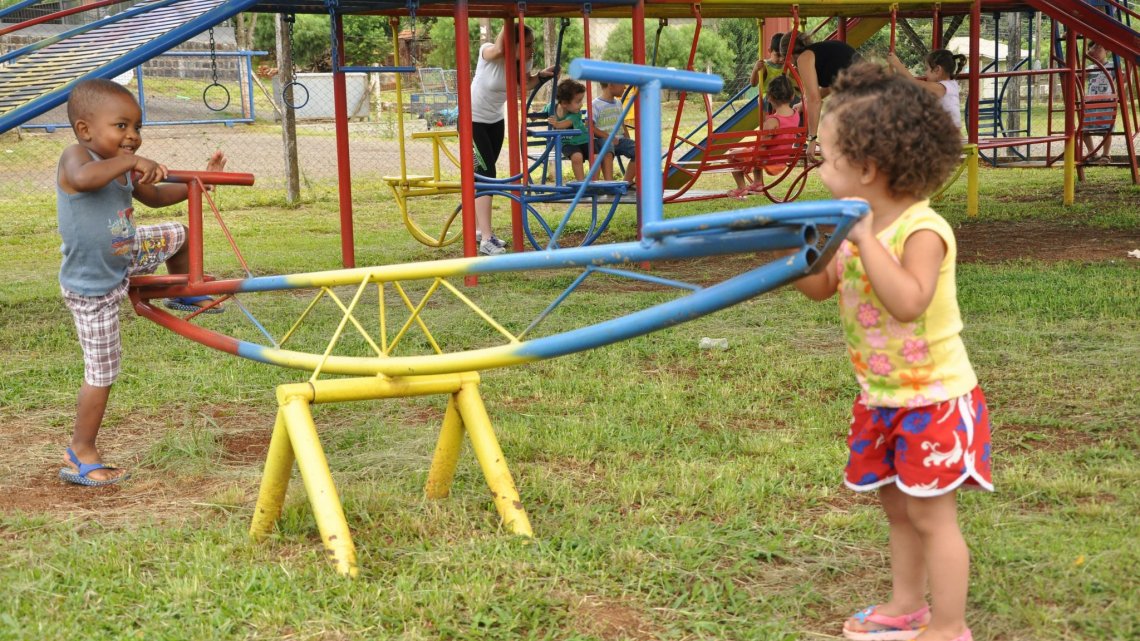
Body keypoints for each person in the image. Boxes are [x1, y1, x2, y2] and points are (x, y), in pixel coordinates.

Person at [790, 63, 991, 641]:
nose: (818, 168)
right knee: (899, 510)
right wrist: (804, 253)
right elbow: (820, 289)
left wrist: (860, 239)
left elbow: (908, 301)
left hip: (933, 401)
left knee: (932, 516)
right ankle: (908, 607)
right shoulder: (856, 226)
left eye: (825, 158)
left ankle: (949, 626)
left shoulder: (922, 230)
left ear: (867, 169)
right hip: (882, 396)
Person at [56, 78, 227, 486]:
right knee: (103, 371)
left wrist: (201, 180)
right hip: (92, 287)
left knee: (178, 233)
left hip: (126, 254)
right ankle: (81, 450)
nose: (132, 136)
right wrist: (132, 162)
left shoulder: (121, 170)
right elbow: (83, 180)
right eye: (121, 126)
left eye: (137, 127)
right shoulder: (75, 158)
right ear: (85, 130)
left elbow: (157, 196)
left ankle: (179, 294)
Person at [470, 25, 557, 255]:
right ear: (513, 43)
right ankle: (486, 239)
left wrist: (541, 77)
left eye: (533, 44)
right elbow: (499, 46)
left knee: (486, 173)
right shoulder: (488, 52)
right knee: (485, 175)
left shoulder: (524, 62)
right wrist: (509, 22)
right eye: (527, 45)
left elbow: (523, 84)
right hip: (473, 120)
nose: (532, 50)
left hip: (496, 120)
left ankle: (480, 230)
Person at [781, 32, 858, 158]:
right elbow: (832, 86)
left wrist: (811, 139)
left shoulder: (804, 58)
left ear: (787, 55)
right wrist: (803, 104)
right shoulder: (820, 51)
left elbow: (814, 100)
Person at [730, 75, 801, 195]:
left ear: (769, 98)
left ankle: (741, 188)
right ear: (792, 96)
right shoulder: (796, 115)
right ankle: (757, 183)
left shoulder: (772, 122)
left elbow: (761, 147)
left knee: (732, 155)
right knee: (746, 150)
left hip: (767, 161)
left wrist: (751, 162)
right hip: (781, 161)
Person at [888, 49, 966, 128]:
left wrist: (897, 64)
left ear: (937, 69)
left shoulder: (944, 87)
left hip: (947, 134)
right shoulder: (950, 85)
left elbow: (913, 83)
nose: (925, 73)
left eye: (927, 69)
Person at [590, 80, 638, 184]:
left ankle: (626, 183)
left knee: (640, 151)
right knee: (608, 148)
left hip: (619, 141)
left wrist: (628, 139)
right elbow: (589, 127)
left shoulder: (618, 103)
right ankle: (609, 183)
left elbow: (621, 124)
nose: (625, 87)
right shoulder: (595, 105)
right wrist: (608, 137)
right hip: (603, 141)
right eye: (622, 84)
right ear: (610, 85)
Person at [545, 78, 591, 182]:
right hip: (567, 143)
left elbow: (566, 123)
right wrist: (533, 116)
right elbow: (543, 111)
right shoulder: (552, 107)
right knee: (577, 157)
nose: (581, 104)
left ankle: (593, 183)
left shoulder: (575, 114)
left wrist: (556, 124)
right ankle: (581, 184)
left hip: (584, 141)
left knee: (596, 156)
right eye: (578, 101)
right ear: (565, 103)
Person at [1081, 42, 1115, 163]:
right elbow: (1078, 75)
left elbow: (1125, 79)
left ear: (1107, 52)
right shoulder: (1089, 68)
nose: (1094, 50)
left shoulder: (1112, 66)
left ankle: (1106, 154)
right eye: (1092, 48)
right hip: (1090, 104)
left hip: (1106, 104)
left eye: (1098, 47)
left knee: (1106, 129)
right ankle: (1092, 152)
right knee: (1084, 129)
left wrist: (1130, 67)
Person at [749, 32, 786, 109]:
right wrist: (755, 70)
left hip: (782, 98)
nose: (781, 59)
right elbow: (753, 84)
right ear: (769, 51)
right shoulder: (765, 66)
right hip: (768, 98)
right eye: (778, 55)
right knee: (771, 98)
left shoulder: (787, 66)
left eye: (784, 55)